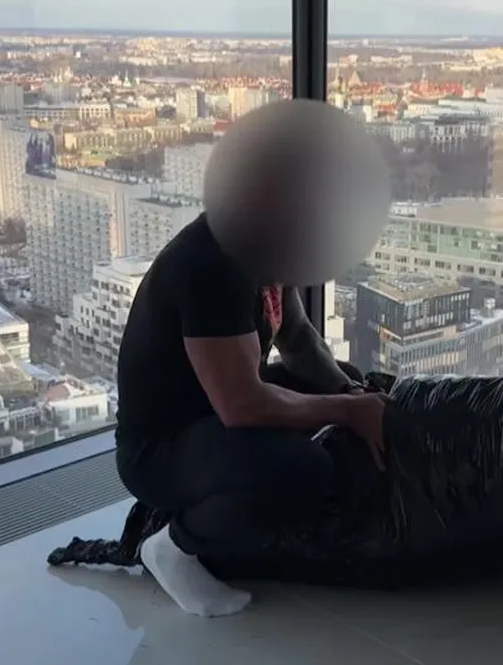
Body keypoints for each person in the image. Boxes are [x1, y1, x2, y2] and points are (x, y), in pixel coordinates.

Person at [114, 212, 388, 618]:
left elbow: (297, 338)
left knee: (340, 377)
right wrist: (347, 411)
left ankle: (228, 506)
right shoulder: (211, 264)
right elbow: (241, 404)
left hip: (214, 412)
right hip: (160, 448)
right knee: (302, 469)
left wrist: (349, 392)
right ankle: (173, 548)